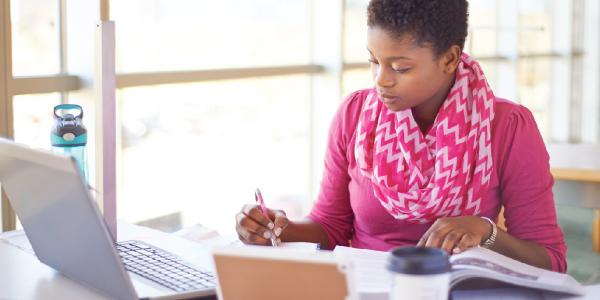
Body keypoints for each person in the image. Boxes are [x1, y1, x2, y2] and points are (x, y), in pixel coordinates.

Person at [235, 0, 566, 272]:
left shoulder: (506, 126)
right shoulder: (354, 116)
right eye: (374, 61)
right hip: (365, 287)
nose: (381, 80)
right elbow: (331, 226)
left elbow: (550, 260)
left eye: (400, 67)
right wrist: (278, 228)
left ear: (449, 59)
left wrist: (486, 232)